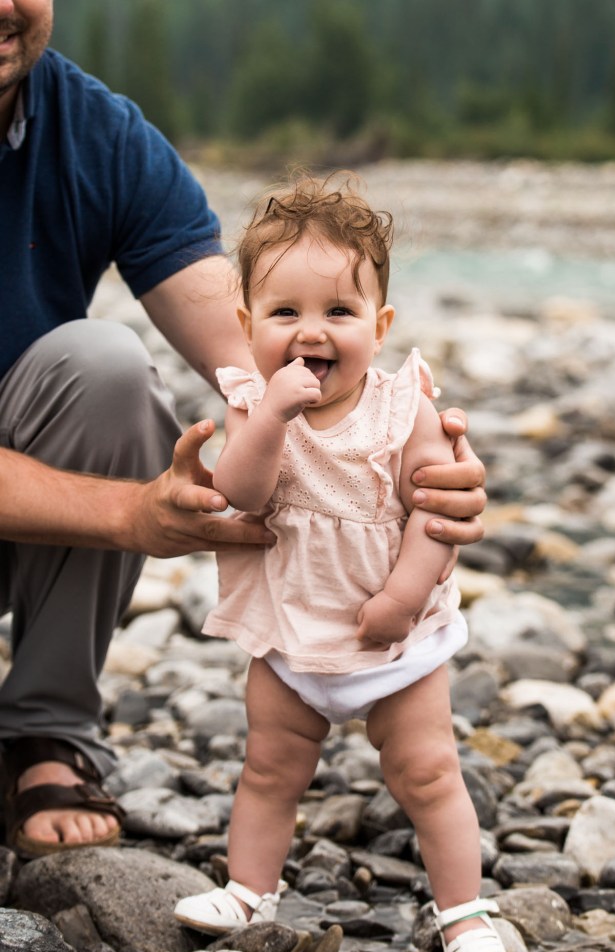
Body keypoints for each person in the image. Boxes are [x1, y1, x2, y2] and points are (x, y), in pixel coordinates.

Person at [0, 2, 487, 860]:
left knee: (106, 370)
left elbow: (266, 365)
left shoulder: (97, 134)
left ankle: (45, 733)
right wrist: (128, 515)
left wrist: (410, 460)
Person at [174, 175, 508, 952]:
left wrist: (401, 598)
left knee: (428, 774)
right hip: (291, 634)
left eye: (338, 313)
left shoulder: (404, 412)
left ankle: (462, 912)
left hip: (395, 640)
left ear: (380, 326)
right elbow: (242, 496)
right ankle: (250, 891)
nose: (309, 333)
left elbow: (435, 511)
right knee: (268, 768)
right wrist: (273, 418)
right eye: (284, 314)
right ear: (249, 326)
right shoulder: (256, 407)